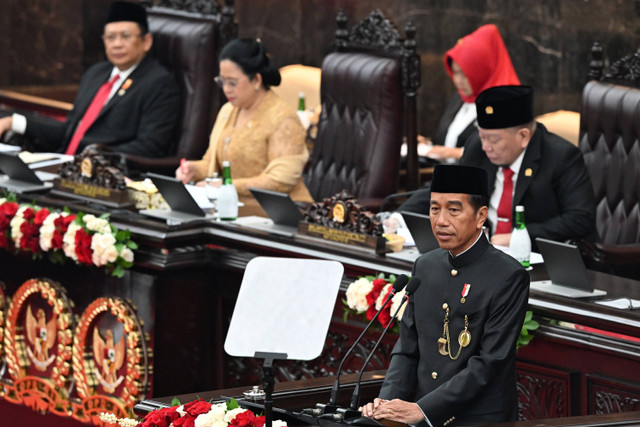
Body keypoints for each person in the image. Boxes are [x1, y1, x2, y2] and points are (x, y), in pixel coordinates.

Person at [361, 164, 530, 426]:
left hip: (475, 418)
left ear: (480, 216)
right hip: (420, 412)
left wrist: (424, 410)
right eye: (434, 208)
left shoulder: (508, 276)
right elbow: (407, 349)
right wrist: (388, 404)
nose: (441, 221)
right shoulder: (425, 266)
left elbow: (489, 363)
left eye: (453, 210)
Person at [399, 85, 596, 249]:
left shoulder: (561, 157)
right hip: (482, 254)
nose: (486, 147)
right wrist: (399, 216)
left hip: (536, 260)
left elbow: (580, 218)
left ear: (523, 137)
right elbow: (444, 188)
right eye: (482, 136)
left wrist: (520, 237)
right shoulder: (477, 147)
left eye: (493, 140)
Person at [0, 1, 180, 157]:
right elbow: (69, 131)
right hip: (64, 163)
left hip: (104, 175)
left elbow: (150, 147)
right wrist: (13, 122)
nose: (117, 44)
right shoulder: (96, 73)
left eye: (125, 36)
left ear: (146, 41)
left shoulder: (159, 83)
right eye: (110, 37)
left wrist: (95, 159)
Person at [176, 38, 313, 216]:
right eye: (222, 81)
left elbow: (280, 181)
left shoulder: (284, 118)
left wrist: (226, 186)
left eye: (232, 82)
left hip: (278, 213)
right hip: (229, 208)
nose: (226, 89)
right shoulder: (227, 111)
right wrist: (194, 170)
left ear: (256, 79)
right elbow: (212, 163)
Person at [419, 24, 519, 162]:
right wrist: (427, 145)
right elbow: (447, 141)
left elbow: (504, 154)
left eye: (465, 74)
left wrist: (453, 153)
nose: (458, 81)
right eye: (455, 72)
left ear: (481, 70)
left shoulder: (507, 104)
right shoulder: (460, 98)